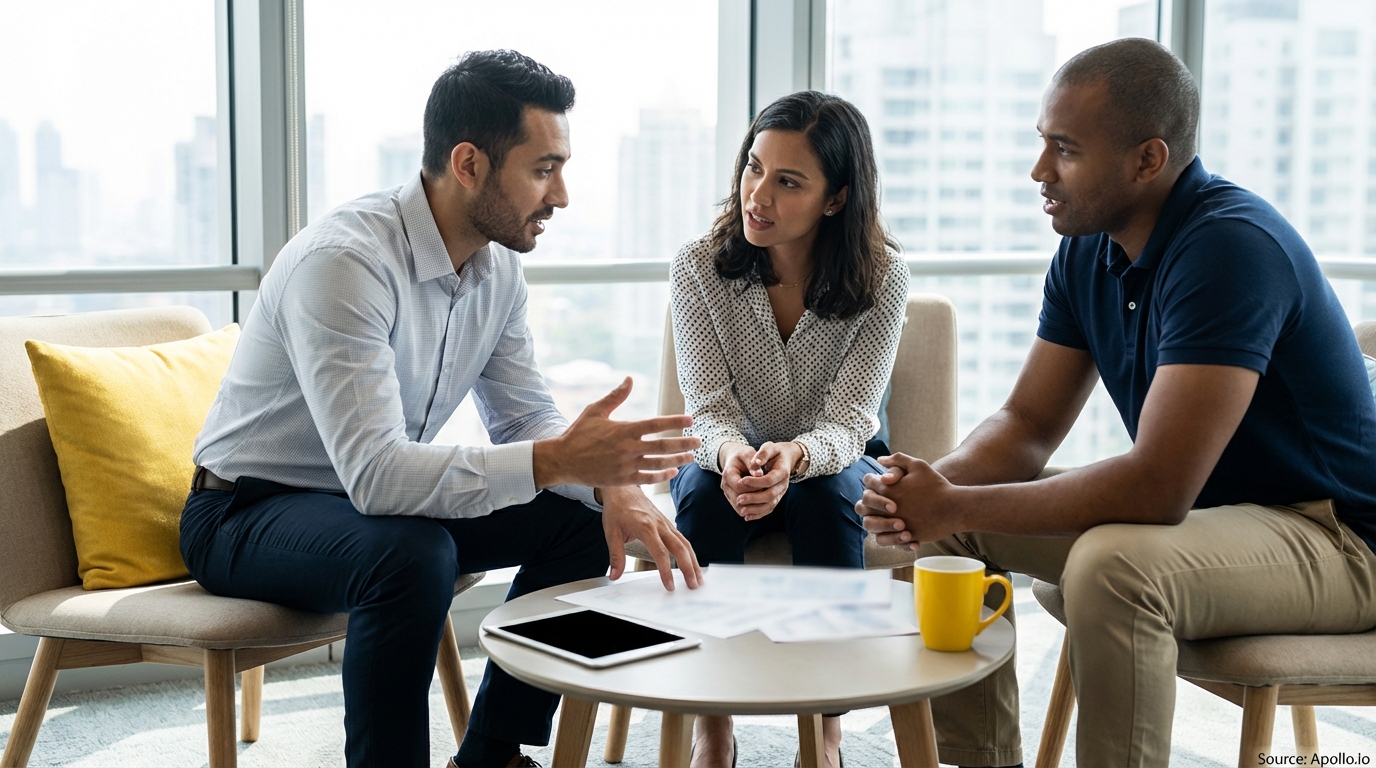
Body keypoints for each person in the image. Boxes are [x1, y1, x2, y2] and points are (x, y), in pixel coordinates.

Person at [856, 37, 1376, 768]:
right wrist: (925, 493)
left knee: (1113, 565)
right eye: (1043, 143)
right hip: (1211, 521)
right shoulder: (1087, 247)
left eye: (1065, 150)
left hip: (1337, 538)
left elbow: (1157, 488)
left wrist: (960, 502)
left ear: (1148, 160)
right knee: (945, 544)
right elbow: (1026, 426)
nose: (1039, 171)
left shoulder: (1229, 248)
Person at [180, 50, 704, 768]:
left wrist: (612, 484)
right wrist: (557, 460)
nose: (562, 196)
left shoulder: (498, 272)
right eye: (544, 169)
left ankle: (492, 754)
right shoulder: (345, 263)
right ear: (469, 164)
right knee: (411, 555)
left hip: (368, 513)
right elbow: (378, 478)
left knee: (584, 518)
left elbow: (523, 420)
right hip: (245, 514)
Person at [670, 90, 909, 768]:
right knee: (702, 497)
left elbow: (851, 420)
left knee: (830, 499)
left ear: (835, 199)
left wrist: (797, 456)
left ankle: (824, 728)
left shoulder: (882, 277)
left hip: (834, 455)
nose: (757, 194)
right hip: (727, 452)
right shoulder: (698, 267)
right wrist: (735, 456)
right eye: (753, 168)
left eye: (787, 181)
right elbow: (707, 407)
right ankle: (713, 724)